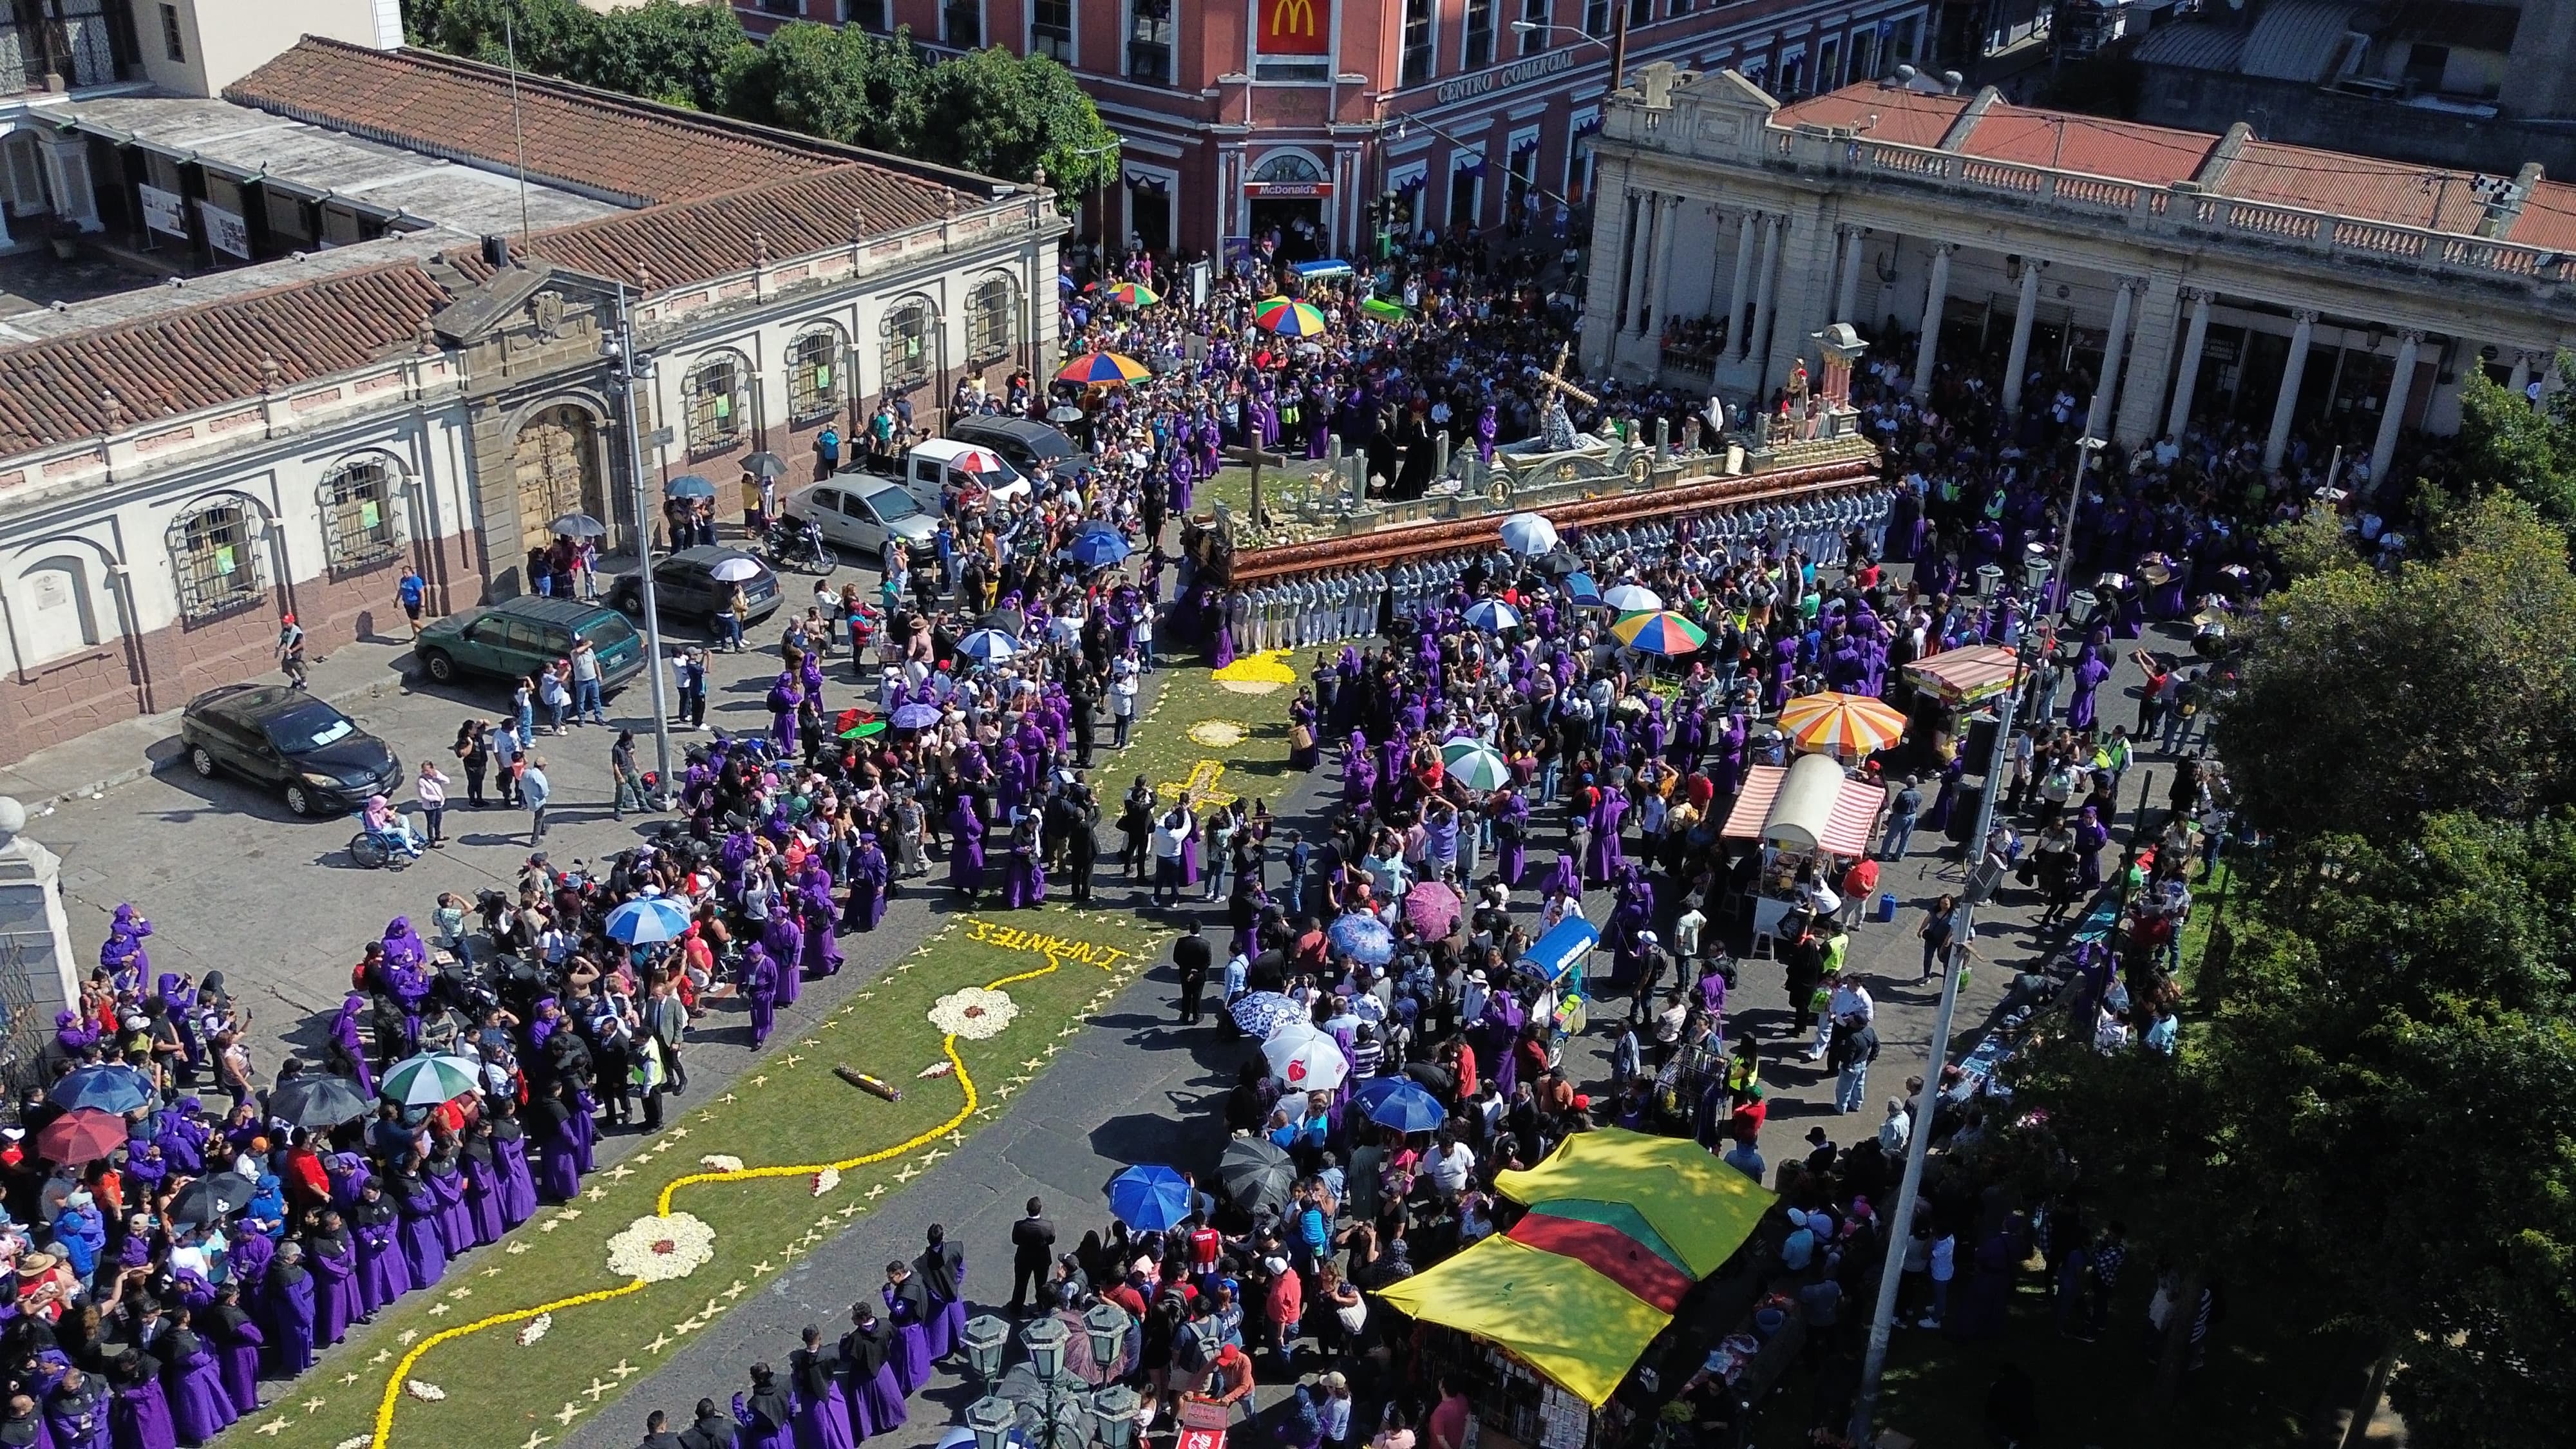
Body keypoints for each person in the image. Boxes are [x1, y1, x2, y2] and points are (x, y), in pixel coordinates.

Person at [1007, 1197, 1056, 1316]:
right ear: (1040, 1209)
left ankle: (1016, 1308)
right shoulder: (1048, 1226)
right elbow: (1052, 1240)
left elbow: (1015, 1240)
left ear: (1027, 1210)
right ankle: (1042, 1307)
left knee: (1020, 1284)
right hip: (1042, 1261)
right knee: (1041, 1285)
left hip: (1023, 1259)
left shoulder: (1019, 1226)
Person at [1173, 923, 1211, 1025]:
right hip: (1199, 975)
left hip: (1185, 973)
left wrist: (1188, 969)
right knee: (1197, 996)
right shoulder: (1206, 944)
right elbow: (1208, 962)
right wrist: (1196, 970)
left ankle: (1185, 1016)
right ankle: (1196, 1017)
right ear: (1200, 929)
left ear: (1189, 929)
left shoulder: (1181, 942)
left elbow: (1176, 958)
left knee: (1186, 995)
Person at [413, 760, 450, 849]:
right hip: (429, 806)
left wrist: (437, 776)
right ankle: (432, 841)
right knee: (431, 823)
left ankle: (438, 835)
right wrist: (436, 798)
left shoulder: (436, 774)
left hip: (439, 804)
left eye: (427, 770)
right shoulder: (421, 780)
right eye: (424, 771)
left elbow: (447, 781)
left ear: (432, 769)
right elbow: (423, 795)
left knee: (439, 819)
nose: (425, 772)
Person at [522, 755, 552, 845]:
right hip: (538, 800)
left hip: (528, 798)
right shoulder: (540, 776)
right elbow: (545, 791)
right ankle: (535, 840)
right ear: (542, 766)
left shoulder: (526, 772)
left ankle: (542, 830)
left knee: (541, 815)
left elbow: (521, 786)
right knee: (538, 818)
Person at [275, 612, 308, 690]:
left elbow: (302, 644)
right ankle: (296, 681)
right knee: (286, 668)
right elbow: (283, 638)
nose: (285, 624)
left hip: (296, 653)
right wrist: (278, 646)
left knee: (300, 668)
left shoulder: (297, 632)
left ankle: (304, 683)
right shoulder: (286, 630)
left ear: (292, 622)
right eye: (284, 622)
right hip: (288, 653)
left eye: (287, 622)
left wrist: (292, 650)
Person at [397, 566, 428, 638]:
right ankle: (416, 636)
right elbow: (401, 591)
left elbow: (422, 593)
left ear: (411, 571)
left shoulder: (416, 580)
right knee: (412, 620)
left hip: (415, 603)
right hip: (407, 604)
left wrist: (422, 605)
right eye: (403, 573)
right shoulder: (403, 580)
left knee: (414, 621)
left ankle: (427, 632)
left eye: (406, 573)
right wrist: (396, 600)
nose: (405, 575)